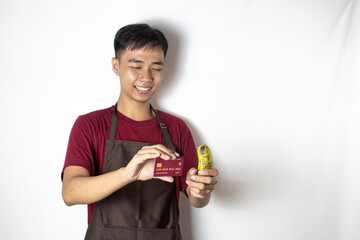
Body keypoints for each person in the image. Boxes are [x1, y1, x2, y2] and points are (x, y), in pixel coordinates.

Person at [61, 23, 218, 240]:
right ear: (116, 66)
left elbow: (196, 198)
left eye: (156, 67)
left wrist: (201, 190)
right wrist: (128, 174)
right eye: (136, 66)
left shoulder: (176, 128)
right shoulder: (90, 125)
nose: (147, 76)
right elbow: (70, 193)